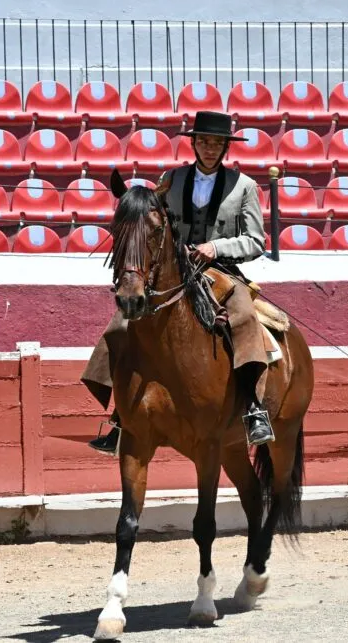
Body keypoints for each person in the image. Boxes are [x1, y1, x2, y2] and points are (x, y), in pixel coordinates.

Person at [83, 110, 275, 455]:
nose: (210, 148)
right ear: (194, 143)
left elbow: (256, 241)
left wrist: (215, 246)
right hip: (173, 272)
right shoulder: (170, 179)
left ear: (226, 147)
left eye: (217, 143)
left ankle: (253, 408)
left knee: (244, 317)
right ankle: (119, 415)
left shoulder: (244, 186)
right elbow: (156, 225)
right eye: (204, 141)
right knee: (120, 324)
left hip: (220, 270)